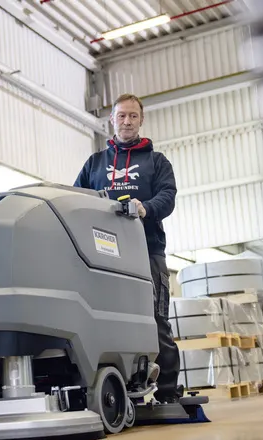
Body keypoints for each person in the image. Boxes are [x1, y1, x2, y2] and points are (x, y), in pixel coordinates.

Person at [74, 93, 181, 403]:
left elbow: (168, 196)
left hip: (147, 250)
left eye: (133, 116)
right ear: (112, 120)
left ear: (141, 120)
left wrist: (145, 208)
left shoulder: (157, 162)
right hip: (103, 255)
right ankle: (119, 390)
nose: (127, 121)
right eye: (121, 116)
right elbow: (78, 198)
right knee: (105, 319)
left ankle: (168, 393)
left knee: (157, 319)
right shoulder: (95, 163)